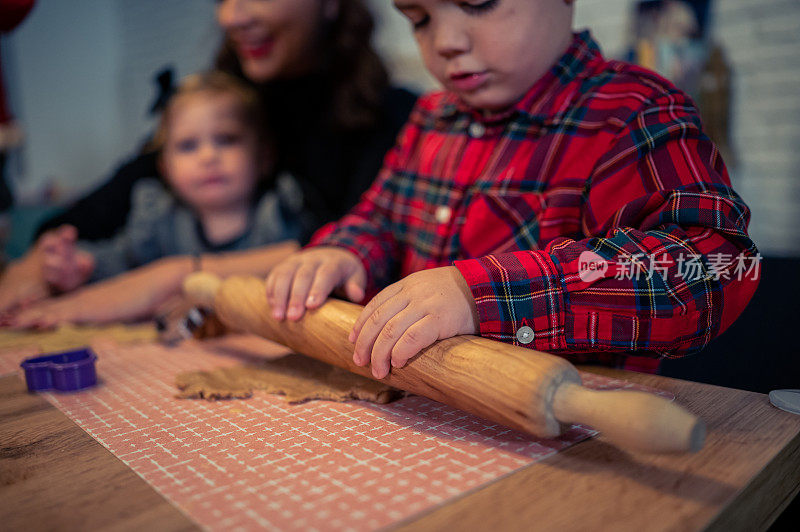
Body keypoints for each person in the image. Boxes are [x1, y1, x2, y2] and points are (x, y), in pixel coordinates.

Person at [264, 0, 759, 380]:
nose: (446, 42)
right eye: (419, 19)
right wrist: (346, 251)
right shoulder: (432, 118)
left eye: (478, 3)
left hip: (566, 436)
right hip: (427, 411)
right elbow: (381, 220)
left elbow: (706, 266)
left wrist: (477, 293)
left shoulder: (634, 111)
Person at [0, 0, 417, 314]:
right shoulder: (218, 105)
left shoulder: (399, 122)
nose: (230, 16)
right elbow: (92, 214)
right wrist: (42, 263)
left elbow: (348, 253)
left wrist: (180, 273)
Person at [5, 71, 301, 328]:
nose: (208, 156)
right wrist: (81, 267)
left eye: (226, 139)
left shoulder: (279, 214)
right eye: (188, 146)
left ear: (264, 156)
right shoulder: (157, 219)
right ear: (165, 169)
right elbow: (121, 264)